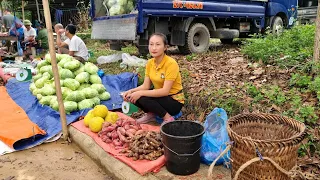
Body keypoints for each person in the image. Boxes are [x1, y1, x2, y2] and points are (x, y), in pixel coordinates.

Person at [123, 33, 185, 124]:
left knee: (142, 96)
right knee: (134, 96)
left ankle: (168, 118)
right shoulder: (149, 63)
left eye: (158, 44)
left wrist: (140, 93)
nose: (154, 48)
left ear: (165, 47)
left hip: (174, 101)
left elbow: (165, 91)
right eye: (151, 44)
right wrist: (131, 91)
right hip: (161, 98)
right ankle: (151, 114)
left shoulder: (171, 64)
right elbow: (145, 86)